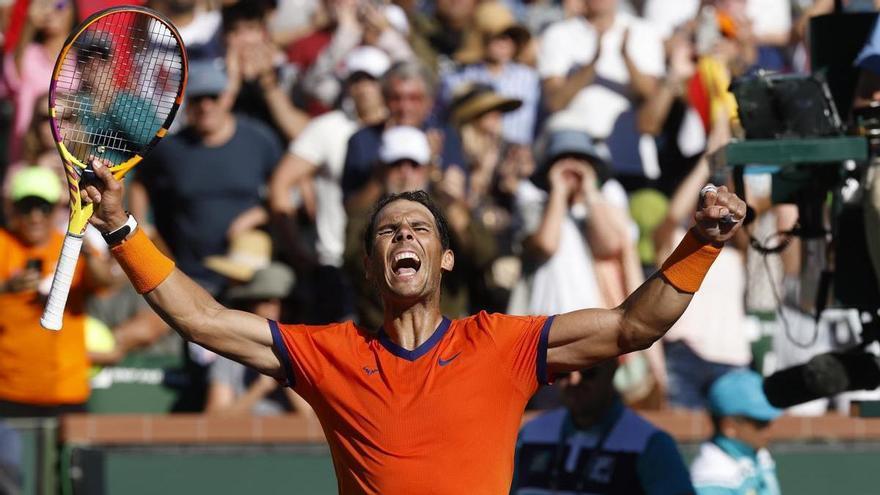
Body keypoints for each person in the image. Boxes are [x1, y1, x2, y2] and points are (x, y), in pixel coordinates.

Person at [80, 139, 746, 492]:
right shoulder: (330, 350)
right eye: (389, 230)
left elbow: (632, 326)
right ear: (373, 264)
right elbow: (204, 320)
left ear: (446, 259)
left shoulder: (502, 343)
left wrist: (702, 243)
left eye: (420, 228)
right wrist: (120, 228)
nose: (404, 235)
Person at [131, 59, 282, 297]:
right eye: (198, 99)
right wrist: (143, 228)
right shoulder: (171, 149)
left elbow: (287, 189)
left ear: (229, 98)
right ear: (186, 104)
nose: (206, 106)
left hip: (251, 276)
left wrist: (258, 215)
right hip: (191, 276)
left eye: (214, 97)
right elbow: (140, 182)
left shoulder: (259, 139)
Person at [268, 45, 389, 323]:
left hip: (391, 261)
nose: (363, 88)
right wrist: (298, 251)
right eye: (356, 80)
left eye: (371, 79)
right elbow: (281, 183)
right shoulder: (328, 127)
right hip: (336, 263)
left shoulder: (400, 130)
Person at [343, 125, 496, 328]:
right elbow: (353, 262)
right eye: (396, 164)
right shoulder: (367, 216)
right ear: (381, 170)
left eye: (413, 164)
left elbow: (484, 255)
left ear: (427, 169)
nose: (405, 173)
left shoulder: (445, 209)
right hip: (380, 333)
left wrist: (455, 208)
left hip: (443, 336)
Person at [0, 167, 111, 417]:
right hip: (8, 390)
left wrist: (85, 254)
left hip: (66, 390)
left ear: (57, 209)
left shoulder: (71, 244)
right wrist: (7, 288)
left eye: (44, 207)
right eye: (26, 207)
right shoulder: (3, 243)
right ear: (13, 209)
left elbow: (103, 283)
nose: (36, 217)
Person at [512, 360, 694, 494]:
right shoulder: (531, 434)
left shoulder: (650, 444)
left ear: (613, 369)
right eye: (563, 372)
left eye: (588, 372)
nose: (575, 381)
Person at [538, 0, 665, 181]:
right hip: (574, 155)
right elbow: (554, 102)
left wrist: (626, 57)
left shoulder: (642, 31)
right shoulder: (558, 33)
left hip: (628, 159)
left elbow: (651, 96)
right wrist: (593, 62)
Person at [341, 60, 466, 212]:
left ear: (429, 102)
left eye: (414, 98)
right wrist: (379, 177)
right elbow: (351, 207)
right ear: (385, 99)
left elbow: (459, 203)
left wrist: (434, 167)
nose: (404, 107)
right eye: (396, 98)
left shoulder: (444, 137)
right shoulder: (362, 140)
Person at [205, 261, 312, 416]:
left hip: (295, 439)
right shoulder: (229, 353)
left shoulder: (309, 353)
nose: (276, 310)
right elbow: (212, 422)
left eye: (284, 303)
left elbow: (316, 423)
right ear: (250, 305)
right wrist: (260, 387)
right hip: (240, 438)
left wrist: (285, 375)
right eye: (266, 301)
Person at [440, 1, 540, 146]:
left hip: (515, 157)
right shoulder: (456, 79)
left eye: (511, 36)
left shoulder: (529, 79)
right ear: (480, 38)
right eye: (498, 36)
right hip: (469, 155)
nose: (505, 42)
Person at [690, 370, 782, 495]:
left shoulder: (758, 452)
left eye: (769, 422)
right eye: (760, 423)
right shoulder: (711, 480)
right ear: (729, 427)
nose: (769, 430)